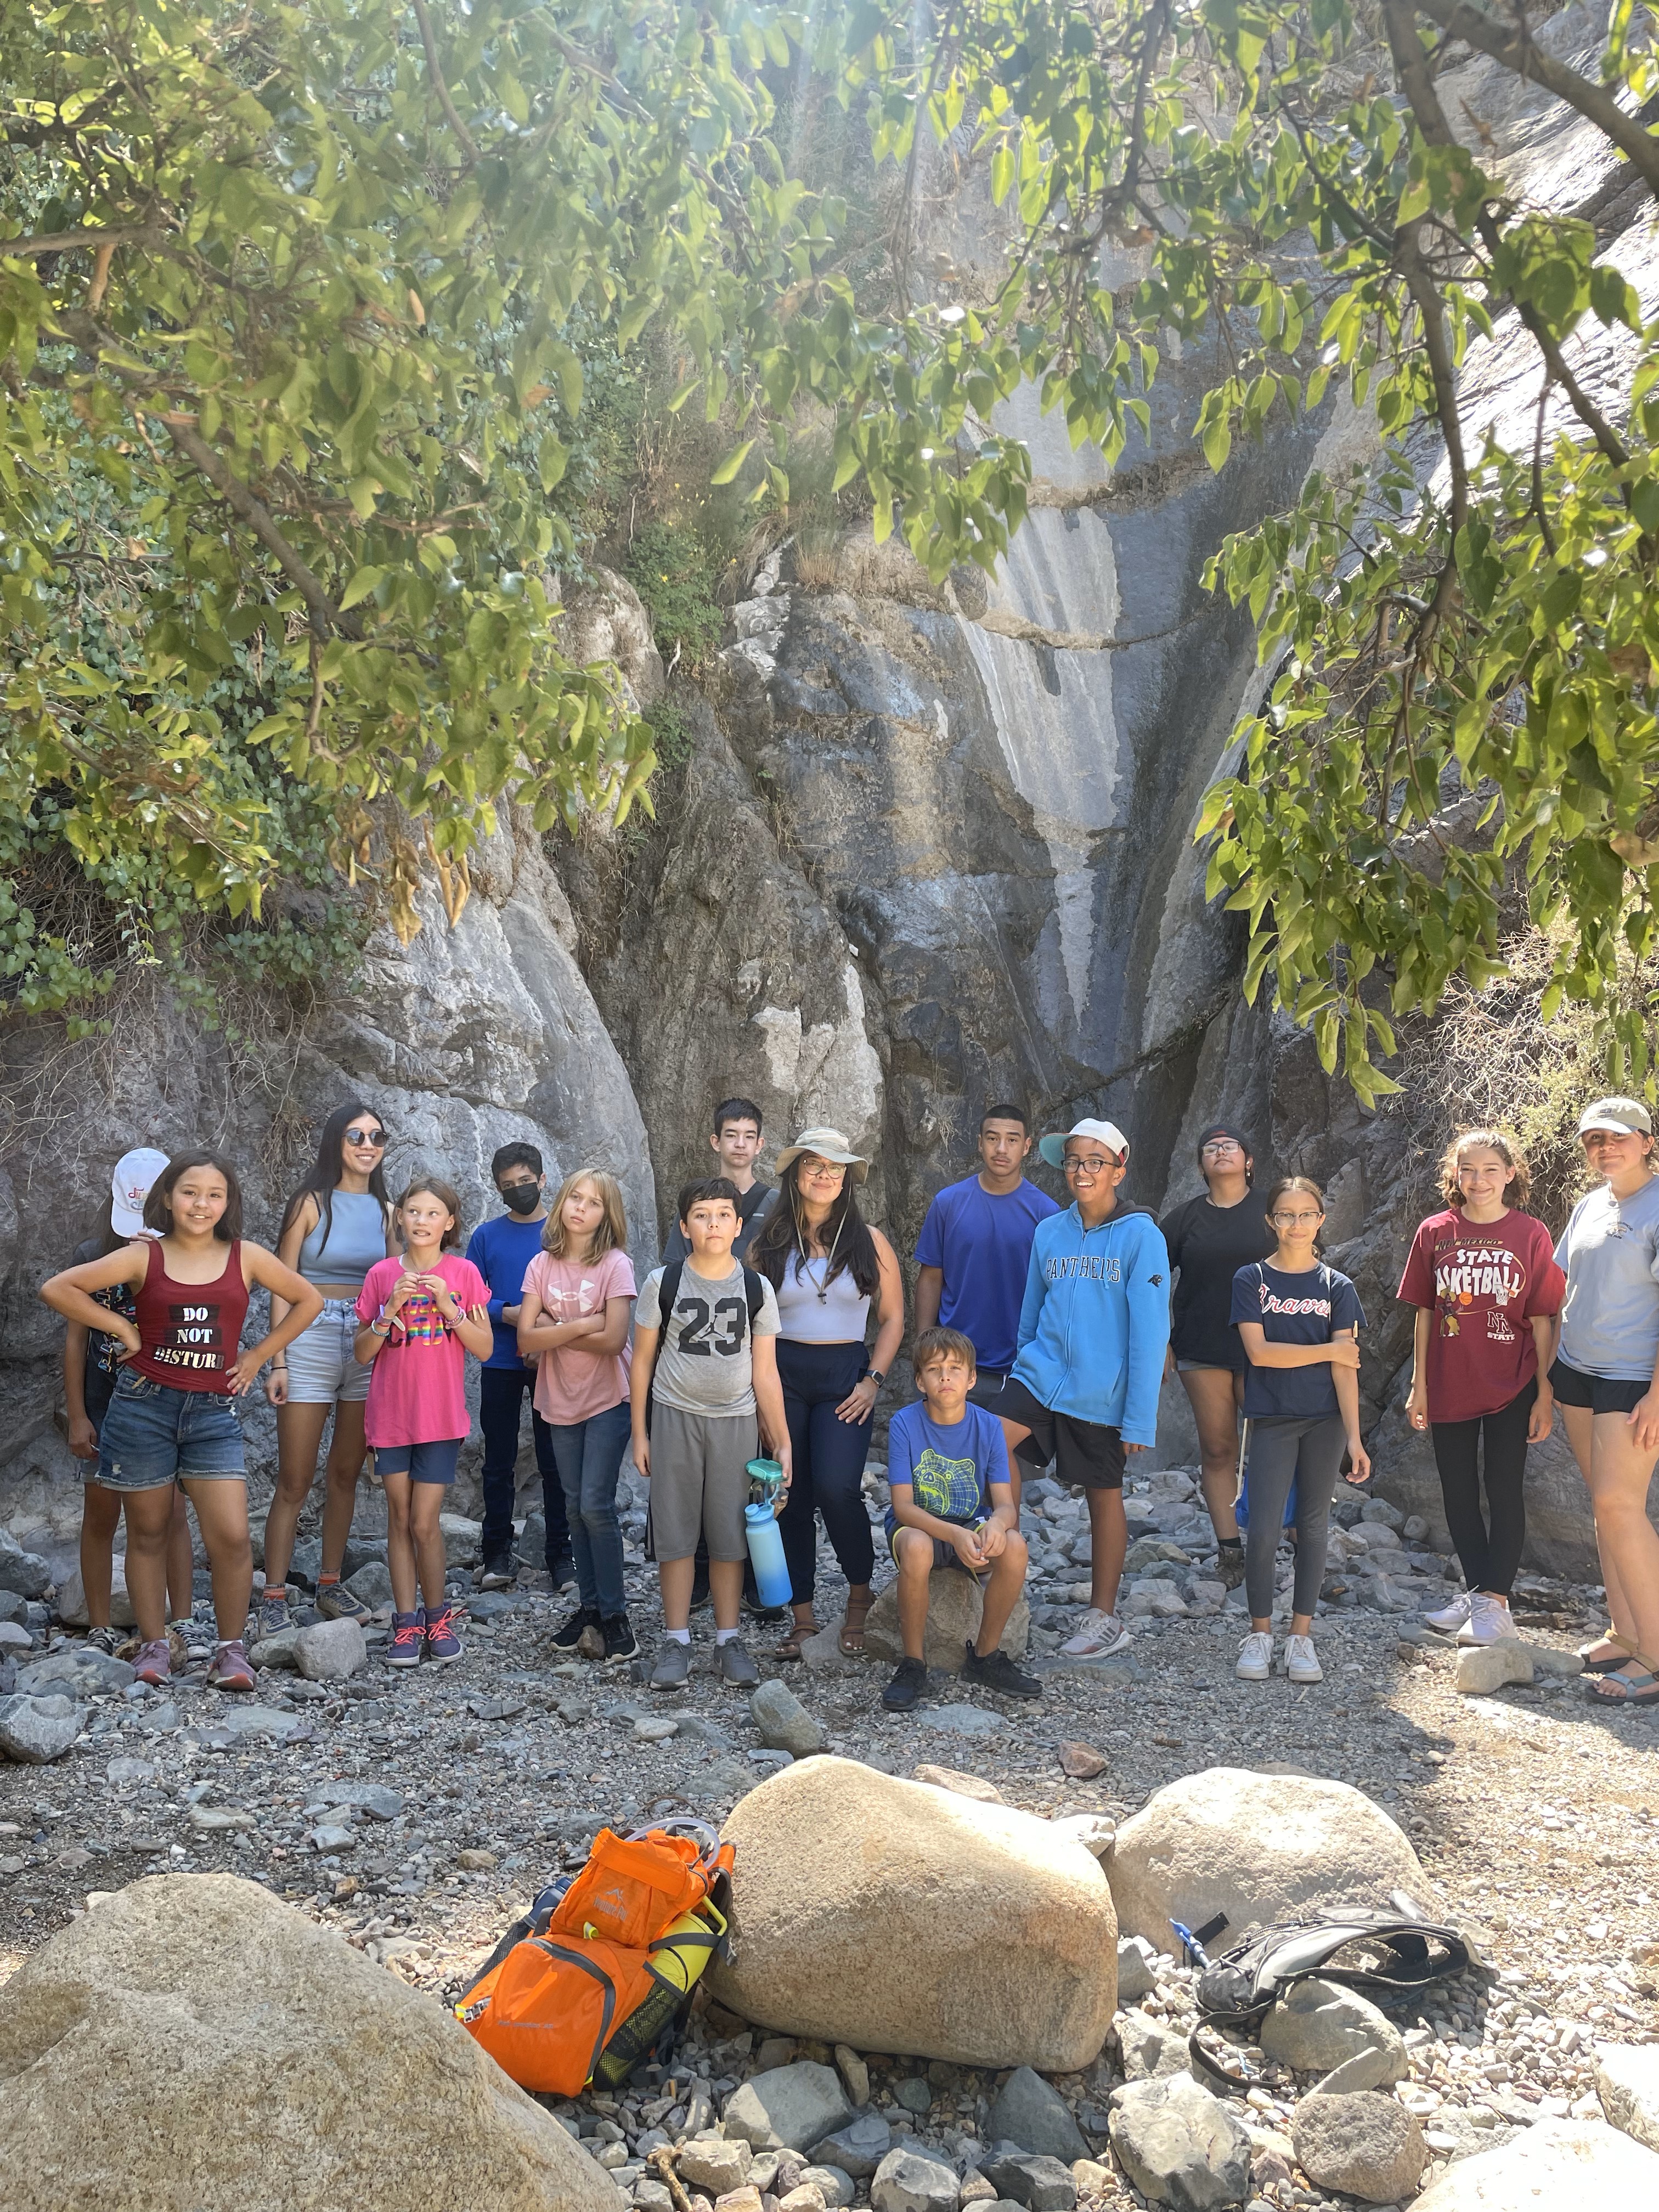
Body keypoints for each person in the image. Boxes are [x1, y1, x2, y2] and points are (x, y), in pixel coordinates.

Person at [40, 1152, 324, 1691]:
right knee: (146, 1533)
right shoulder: (145, 1257)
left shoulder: (247, 1256)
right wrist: (120, 1331)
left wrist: (259, 1356)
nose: (201, 1204)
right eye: (190, 1192)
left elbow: (306, 1299)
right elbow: (58, 1289)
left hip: (213, 1412)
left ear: (228, 1203)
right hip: (142, 1406)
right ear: (168, 1198)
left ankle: (231, 1651)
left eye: (214, 1194)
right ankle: (155, 1647)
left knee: (233, 1538)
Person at [991, 1118, 1170, 1662]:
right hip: (1040, 1376)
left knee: (1103, 1493)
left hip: (1100, 1392)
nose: (1082, 1170)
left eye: (1095, 1160)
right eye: (1073, 1160)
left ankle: (1103, 1616)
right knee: (990, 1445)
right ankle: (1000, 1570)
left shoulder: (1142, 1236)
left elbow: (1150, 1333)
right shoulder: (1050, 1231)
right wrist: (1022, 1366)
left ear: (1120, 1165)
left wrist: (1138, 1418)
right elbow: (1030, 1313)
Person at [1400, 1130, 1564, 1646]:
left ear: (1510, 1175)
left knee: (1503, 1487)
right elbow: (1426, 1313)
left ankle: (1496, 1601)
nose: (1479, 1180)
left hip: (1512, 1383)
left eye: (1491, 1169)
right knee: (1458, 1492)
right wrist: (1418, 1386)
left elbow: (1544, 1319)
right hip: (1449, 1382)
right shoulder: (1435, 1231)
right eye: (1468, 1170)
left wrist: (1544, 1392)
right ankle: (1476, 1594)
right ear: (1455, 1174)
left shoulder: (1531, 1233)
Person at [749, 1127, 904, 1658]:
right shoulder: (767, 1241)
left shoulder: (870, 1240)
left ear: (847, 1179)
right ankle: (804, 1616)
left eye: (835, 1167)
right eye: (813, 1164)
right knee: (790, 1493)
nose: (824, 1174)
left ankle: (860, 1598)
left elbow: (893, 1319)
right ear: (795, 1174)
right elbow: (747, 1317)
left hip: (845, 1374)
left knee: (838, 1489)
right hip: (782, 1371)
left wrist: (873, 1381)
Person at [631, 1177, 791, 1689]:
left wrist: (782, 1439)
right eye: (702, 1214)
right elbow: (642, 1362)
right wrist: (641, 1433)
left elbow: (765, 1371)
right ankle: (676, 1639)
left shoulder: (755, 1287)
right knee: (675, 1534)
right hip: (675, 1417)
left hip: (737, 1422)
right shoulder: (664, 1282)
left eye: (724, 1214)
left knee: (729, 1534)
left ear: (740, 1226)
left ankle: (728, 1639)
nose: (713, 1223)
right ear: (684, 1226)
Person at [258, 1102, 397, 1635]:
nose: (367, 1145)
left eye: (377, 1136)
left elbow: (391, 1283)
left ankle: (329, 1585)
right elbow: (279, 1281)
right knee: (295, 1478)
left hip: (365, 1340)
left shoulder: (388, 1213)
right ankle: (273, 1594)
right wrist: (278, 1359)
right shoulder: (309, 1203)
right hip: (310, 1336)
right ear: (337, 1141)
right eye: (356, 1135)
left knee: (345, 1473)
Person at [1231, 1175, 1371, 1685]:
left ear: (1321, 1220)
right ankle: (1260, 1635)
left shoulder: (1338, 1287)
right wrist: (1329, 1349)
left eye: (1306, 1214)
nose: (1296, 1224)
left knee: (1313, 1528)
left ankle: (1300, 1639)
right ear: (1271, 1221)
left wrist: (1354, 1438)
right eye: (1286, 1215)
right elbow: (1260, 1353)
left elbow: (1346, 1369)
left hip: (1326, 1421)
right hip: (1271, 1418)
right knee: (1265, 1528)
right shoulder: (1252, 1280)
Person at [63, 1147, 201, 1658]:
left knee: (172, 1515)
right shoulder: (90, 1256)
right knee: (101, 1513)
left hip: (171, 1405)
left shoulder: (192, 1254)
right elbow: (76, 1341)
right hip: (105, 1405)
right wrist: (77, 1415)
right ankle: (99, 1624)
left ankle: (183, 1621)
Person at [354, 1177, 493, 1667]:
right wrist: (389, 1310)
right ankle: (406, 1624)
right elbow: (362, 1353)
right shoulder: (380, 1276)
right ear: (401, 1218)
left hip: (440, 1418)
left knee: (424, 1521)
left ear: (449, 1223)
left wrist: (448, 1307)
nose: (421, 1221)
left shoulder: (464, 1274)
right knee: (397, 1517)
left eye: (433, 1214)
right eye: (413, 1212)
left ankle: (438, 1616)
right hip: (390, 1416)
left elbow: (485, 1347)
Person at [1548, 1097, 1659, 1707]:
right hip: (1578, 1372)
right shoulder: (1590, 1204)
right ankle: (1626, 1632)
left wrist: (1658, 1398)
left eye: (1617, 1138)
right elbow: (1570, 1286)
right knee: (1604, 1506)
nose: (1605, 1148)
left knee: (1621, 1505)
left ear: (1646, 1141)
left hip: (1633, 1379)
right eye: (1593, 1140)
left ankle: (1658, 1653)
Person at [882, 1325, 1040, 1712]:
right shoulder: (904, 1423)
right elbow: (903, 1507)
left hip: (970, 1523)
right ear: (920, 1381)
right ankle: (914, 1663)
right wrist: (953, 1536)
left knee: (1016, 1547)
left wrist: (999, 1528)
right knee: (918, 1548)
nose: (946, 1377)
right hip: (920, 1525)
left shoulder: (987, 1425)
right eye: (935, 1370)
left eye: (955, 1368)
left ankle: (985, 1657)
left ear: (972, 1378)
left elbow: (1005, 1505)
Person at [517, 1169, 638, 1663]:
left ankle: (615, 1614)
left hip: (609, 1398)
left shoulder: (616, 1264)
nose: (581, 1208)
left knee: (595, 1505)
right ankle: (588, 1608)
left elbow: (614, 1341)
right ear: (562, 1203)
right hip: (558, 1400)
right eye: (574, 1198)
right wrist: (586, 1322)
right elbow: (525, 1339)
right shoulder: (540, 1265)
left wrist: (559, 1324)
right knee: (571, 1506)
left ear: (607, 1215)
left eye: (593, 1202)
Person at [1158, 1124, 1274, 1587]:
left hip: (1267, 1346)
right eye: (1211, 1147)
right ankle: (1231, 1553)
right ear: (1202, 1165)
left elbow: (1306, 1266)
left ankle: (1278, 1541)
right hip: (1201, 1345)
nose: (1221, 1151)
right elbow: (1148, 1278)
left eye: (1230, 1145)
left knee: (1273, 1446)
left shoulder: (1272, 1209)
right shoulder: (1185, 1219)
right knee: (1219, 1447)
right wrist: (1160, 1339)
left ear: (1248, 1159)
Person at [465, 1142, 575, 1594]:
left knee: (555, 1459)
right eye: (508, 1186)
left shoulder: (564, 1231)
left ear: (543, 1180)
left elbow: (578, 1287)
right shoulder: (486, 1236)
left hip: (552, 1359)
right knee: (499, 1460)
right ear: (498, 1190)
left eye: (525, 1183)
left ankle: (562, 1557)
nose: (518, 1191)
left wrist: (544, 1330)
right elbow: (468, 1295)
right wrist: (509, 1313)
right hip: (501, 1361)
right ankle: (496, 1553)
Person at [913, 1104, 1060, 1422]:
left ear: (1027, 1146)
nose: (1001, 1149)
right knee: (949, 1466)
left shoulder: (1047, 1214)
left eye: (1012, 1140)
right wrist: (925, 1345)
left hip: (1020, 1369)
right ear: (980, 1142)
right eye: (993, 1138)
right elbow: (931, 1278)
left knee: (1008, 1470)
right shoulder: (948, 1204)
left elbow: (1056, 1292)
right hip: (952, 1365)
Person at [662, 1097, 778, 1263]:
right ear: (716, 1142)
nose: (740, 1144)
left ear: (759, 1145)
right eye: (731, 1135)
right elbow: (673, 1266)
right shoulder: (696, 1200)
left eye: (749, 1137)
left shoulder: (775, 1203)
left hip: (757, 1288)